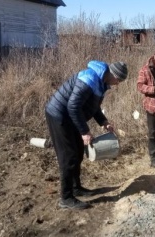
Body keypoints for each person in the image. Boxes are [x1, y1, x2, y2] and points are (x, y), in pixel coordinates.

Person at [45, 60, 128, 209]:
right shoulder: (89, 79)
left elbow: (94, 106)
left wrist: (103, 122)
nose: (118, 84)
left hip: (71, 118)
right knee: (68, 157)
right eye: (119, 80)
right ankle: (66, 198)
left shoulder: (101, 81)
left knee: (78, 153)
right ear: (114, 75)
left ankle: (77, 188)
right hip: (59, 116)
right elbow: (73, 106)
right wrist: (84, 132)